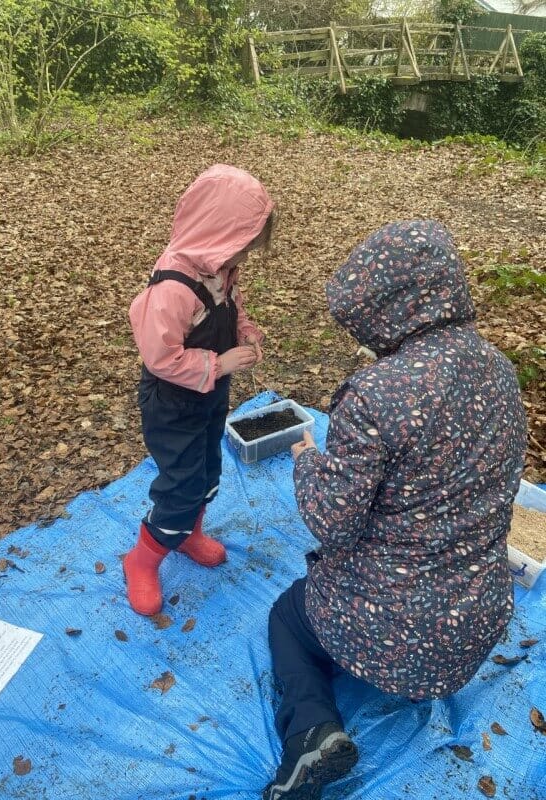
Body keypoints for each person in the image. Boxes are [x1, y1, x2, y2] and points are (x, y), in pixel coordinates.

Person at [263, 220, 527, 800]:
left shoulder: (377, 393)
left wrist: (308, 460)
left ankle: (311, 730)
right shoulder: (502, 372)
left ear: (387, 310)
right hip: (472, 628)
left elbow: (332, 521)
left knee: (286, 616)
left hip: (391, 632)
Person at [124, 164, 275, 617]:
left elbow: (232, 305)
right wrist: (219, 362)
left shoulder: (218, 267)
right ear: (218, 233)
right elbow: (161, 357)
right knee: (181, 484)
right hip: (172, 402)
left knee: (208, 471)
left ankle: (188, 533)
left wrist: (246, 333)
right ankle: (143, 560)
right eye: (243, 248)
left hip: (209, 394)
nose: (242, 259)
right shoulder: (172, 289)